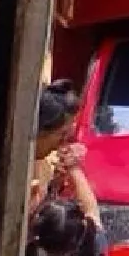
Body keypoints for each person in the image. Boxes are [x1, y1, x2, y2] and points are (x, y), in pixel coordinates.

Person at [29, 81, 85, 219]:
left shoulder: (46, 164)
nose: (62, 144)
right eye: (61, 134)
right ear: (41, 131)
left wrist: (55, 183)